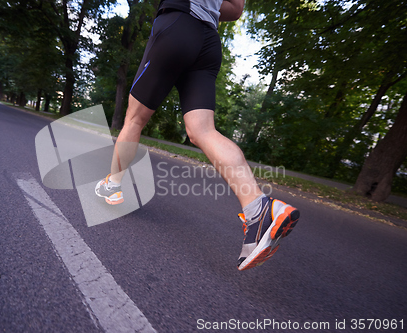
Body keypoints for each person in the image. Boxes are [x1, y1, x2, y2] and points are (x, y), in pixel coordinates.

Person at [95, 0, 300, 271]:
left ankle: (113, 184)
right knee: (203, 130)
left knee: (134, 119)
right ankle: (259, 209)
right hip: (208, 41)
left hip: (177, 25)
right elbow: (235, 10)